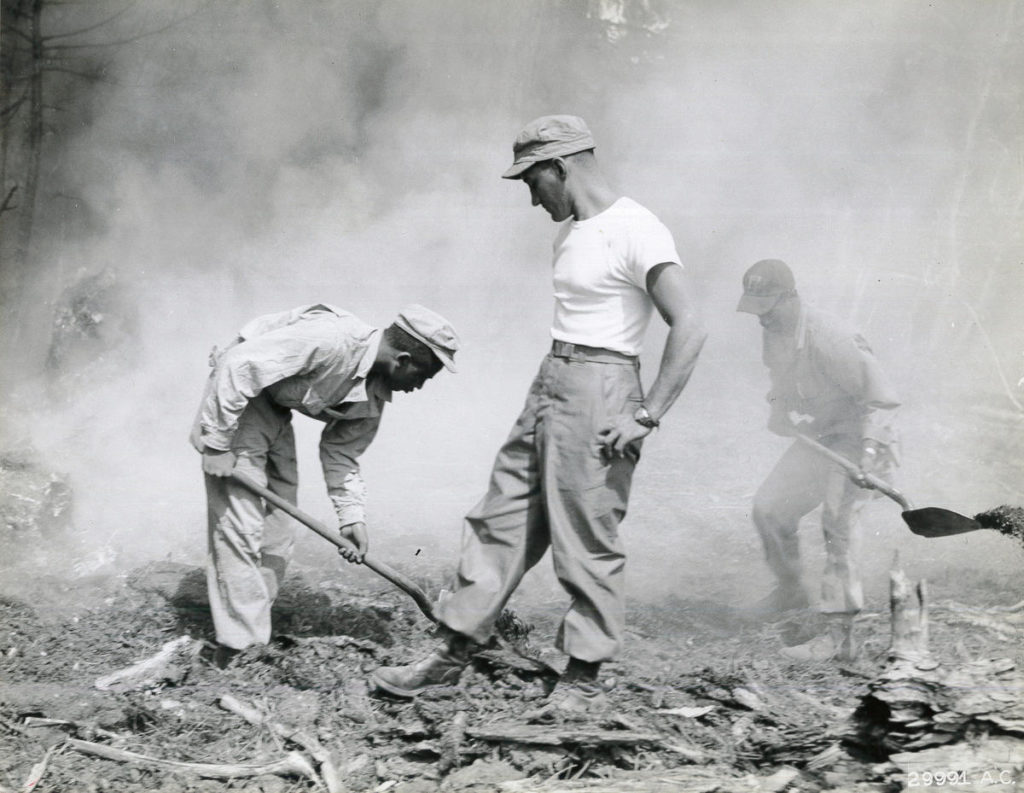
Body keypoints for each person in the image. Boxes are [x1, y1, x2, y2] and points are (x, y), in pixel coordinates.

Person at [373, 115, 706, 710]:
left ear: (562, 165)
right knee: (502, 515)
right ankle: (450, 651)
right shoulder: (569, 233)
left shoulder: (637, 228)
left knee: (585, 531)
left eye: (533, 180)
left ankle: (581, 677)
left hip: (605, 387)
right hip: (552, 378)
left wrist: (648, 414)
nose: (531, 196)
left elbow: (691, 323)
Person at [190, 303, 460, 667]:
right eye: (424, 377)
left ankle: (250, 624)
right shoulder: (332, 341)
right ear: (404, 359)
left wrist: (352, 520)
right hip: (236, 400)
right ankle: (239, 649)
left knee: (278, 532)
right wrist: (218, 443)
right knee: (240, 524)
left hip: (273, 405)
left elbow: (342, 455)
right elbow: (239, 365)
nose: (419, 387)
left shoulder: (374, 395)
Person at [736, 259, 900, 661]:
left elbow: (882, 401)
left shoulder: (833, 337)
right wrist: (778, 408)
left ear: (791, 298)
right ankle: (790, 591)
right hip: (822, 436)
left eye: (768, 308)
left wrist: (869, 454)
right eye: (755, 309)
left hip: (861, 437)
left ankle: (840, 638)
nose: (761, 319)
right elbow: (780, 382)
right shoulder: (775, 331)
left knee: (838, 528)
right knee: (770, 509)